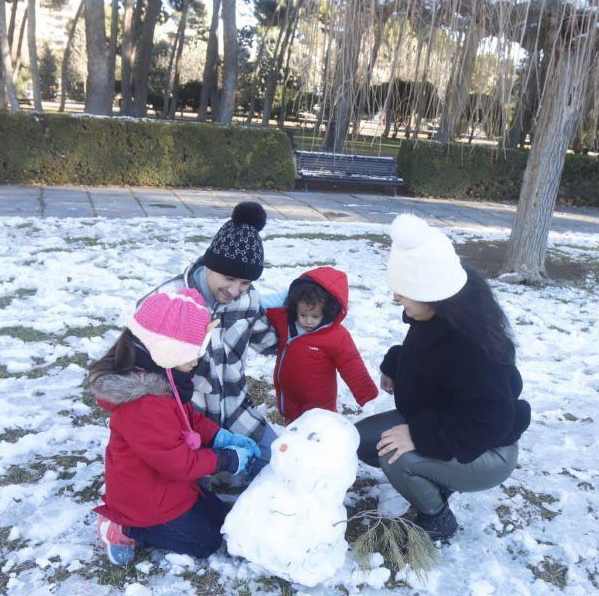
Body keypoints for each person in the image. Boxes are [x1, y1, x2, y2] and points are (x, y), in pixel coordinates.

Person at [356, 214, 532, 541]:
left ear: (432, 296)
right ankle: (436, 476)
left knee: (393, 454)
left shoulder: (474, 348)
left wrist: (419, 437)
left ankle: (436, 518)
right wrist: (396, 363)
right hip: (445, 419)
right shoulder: (440, 313)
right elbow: (430, 356)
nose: (401, 305)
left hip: (488, 449)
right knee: (359, 441)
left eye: (404, 297)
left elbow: (489, 420)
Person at [87, 288, 261, 563]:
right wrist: (225, 459)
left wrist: (219, 437)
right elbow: (177, 463)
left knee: (225, 520)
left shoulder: (162, 378)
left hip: (170, 488)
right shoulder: (143, 404)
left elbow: (187, 418)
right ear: (166, 350)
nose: (196, 361)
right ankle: (126, 529)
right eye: (191, 353)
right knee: (207, 542)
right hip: (145, 500)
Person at [145, 201, 280, 465]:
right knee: (193, 488)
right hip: (187, 416)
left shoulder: (248, 300)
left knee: (278, 462)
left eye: (245, 282)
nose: (234, 290)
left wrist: (302, 319)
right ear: (210, 264)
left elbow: (269, 341)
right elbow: (134, 359)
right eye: (228, 278)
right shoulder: (169, 299)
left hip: (235, 406)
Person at [265, 266, 378, 422]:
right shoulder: (285, 320)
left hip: (319, 401)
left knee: (317, 429)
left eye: (315, 316)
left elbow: (350, 362)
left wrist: (365, 393)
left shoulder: (335, 335)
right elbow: (262, 310)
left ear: (328, 311)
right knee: (293, 426)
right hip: (289, 394)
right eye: (303, 314)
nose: (308, 321)